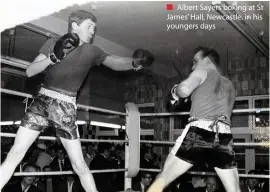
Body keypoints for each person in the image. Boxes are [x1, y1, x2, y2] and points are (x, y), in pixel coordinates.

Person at [0, 10, 154, 192]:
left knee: (79, 164)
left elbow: (114, 62)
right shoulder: (53, 42)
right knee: (15, 153)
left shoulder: (92, 50)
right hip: (41, 102)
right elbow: (30, 71)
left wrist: (134, 63)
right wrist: (53, 57)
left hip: (65, 108)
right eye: (89, 26)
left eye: (95, 28)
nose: (93, 31)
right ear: (75, 25)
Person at [147, 47, 240, 192]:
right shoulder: (229, 85)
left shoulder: (202, 71)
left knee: (164, 177)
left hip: (200, 131)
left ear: (207, 60)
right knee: (234, 190)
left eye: (195, 62)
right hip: (224, 137)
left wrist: (175, 91)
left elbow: (184, 90)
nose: (192, 66)